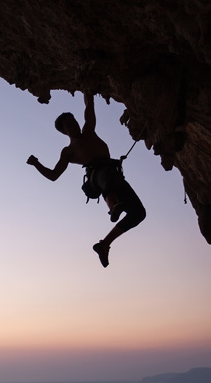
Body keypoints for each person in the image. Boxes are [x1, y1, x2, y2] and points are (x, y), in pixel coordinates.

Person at [27, 93, 147, 268]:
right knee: (106, 176)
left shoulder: (89, 131)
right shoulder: (68, 151)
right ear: (63, 131)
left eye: (74, 121)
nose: (74, 125)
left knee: (139, 213)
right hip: (97, 176)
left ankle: (104, 244)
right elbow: (54, 175)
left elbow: (89, 106)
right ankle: (113, 206)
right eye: (69, 124)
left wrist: (86, 88)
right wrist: (36, 164)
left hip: (114, 176)